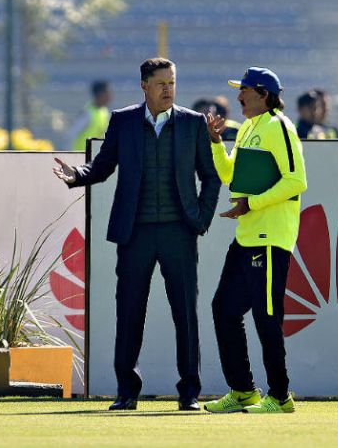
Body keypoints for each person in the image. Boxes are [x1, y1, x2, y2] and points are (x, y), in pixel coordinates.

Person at [53, 57, 221, 411]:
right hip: (135, 234)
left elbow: (210, 176)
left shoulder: (192, 123)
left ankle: (189, 393)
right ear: (144, 86)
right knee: (129, 313)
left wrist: (201, 219)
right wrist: (77, 175)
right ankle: (126, 391)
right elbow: (102, 166)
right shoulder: (123, 120)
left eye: (172, 83)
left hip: (179, 233)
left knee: (185, 315)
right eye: (161, 84)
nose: (168, 90)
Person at [203, 67, 307, 414]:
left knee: (266, 317)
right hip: (247, 236)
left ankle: (280, 396)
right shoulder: (248, 127)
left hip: (271, 237)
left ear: (264, 94)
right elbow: (229, 174)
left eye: (244, 90)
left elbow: (296, 181)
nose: (238, 97)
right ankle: (244, 391)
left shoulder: (280, 126)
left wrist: (252, 204)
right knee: (224, 309)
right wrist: (216, 143)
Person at [67, 80, 112, 150]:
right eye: (107, 93)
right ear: (100, 94)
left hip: (94, 154)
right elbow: (71, 133)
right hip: (82, 154)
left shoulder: (104, 112)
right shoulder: (87, 113)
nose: (110, 96)